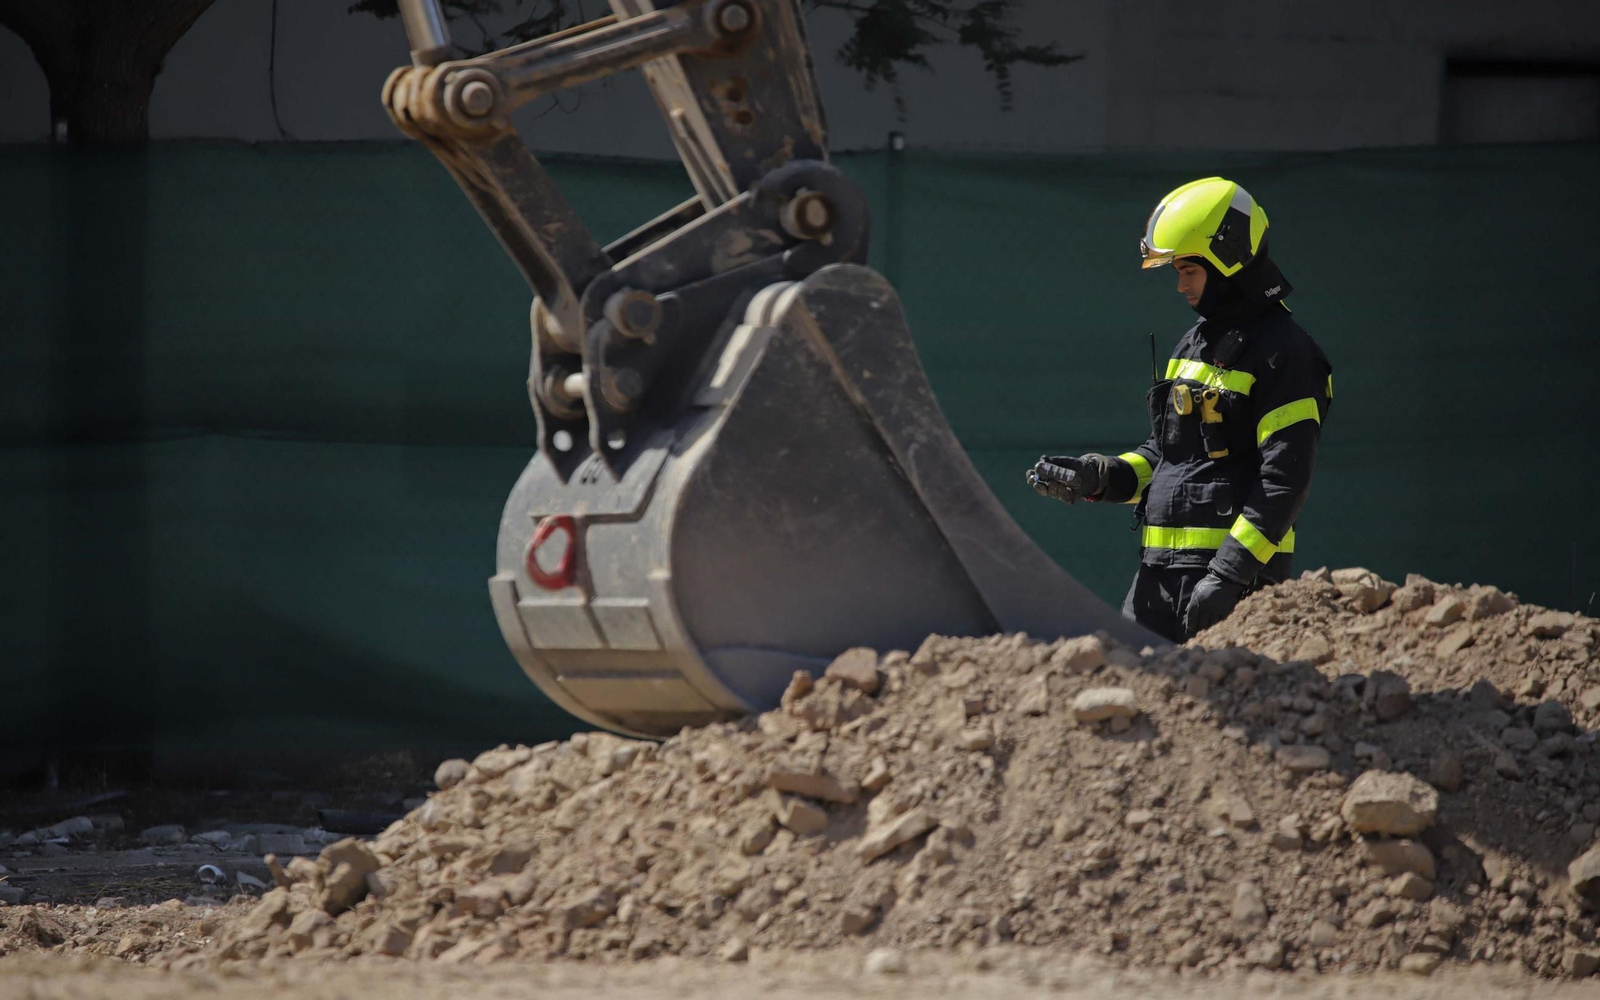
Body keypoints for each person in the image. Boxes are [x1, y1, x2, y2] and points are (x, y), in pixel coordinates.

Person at [1026, 177, 1332, 641]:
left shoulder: (1287, 354)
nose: (1180, 286)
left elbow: (1284, 481)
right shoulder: (1193, 344)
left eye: (1189, 271)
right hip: (1156, 583)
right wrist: (1099, 476)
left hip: (1236, 591)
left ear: (1229, 261)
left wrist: (1227, 576)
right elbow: (1165, 457)